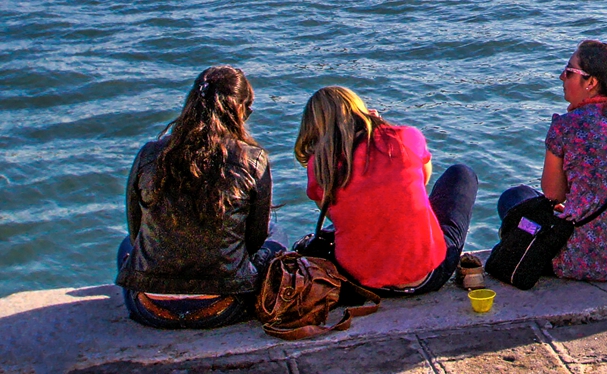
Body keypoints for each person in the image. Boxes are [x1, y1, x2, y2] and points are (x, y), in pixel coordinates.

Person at [116, 65, 285, 328]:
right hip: (222, 308)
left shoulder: (149, 153)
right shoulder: (252, 159)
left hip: (151, 310)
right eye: (248, 109)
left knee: (127, 245)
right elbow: (253, 241)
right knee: (277, 234)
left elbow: (136, 230)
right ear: (239, 110)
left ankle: (159, 293)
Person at [498, 40, 607, 281]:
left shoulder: (567, 125)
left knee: (515, 198)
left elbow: (553, 195)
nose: (562, 76)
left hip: (588, 259)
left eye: (570, 71)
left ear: (591, 82)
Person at [294, 86, 477, 294]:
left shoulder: (319, 166)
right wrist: (382, 126)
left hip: (361, 283)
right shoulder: (405, 136)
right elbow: (422, 179)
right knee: (462, 174)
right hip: (428, 277)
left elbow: (334, 216)